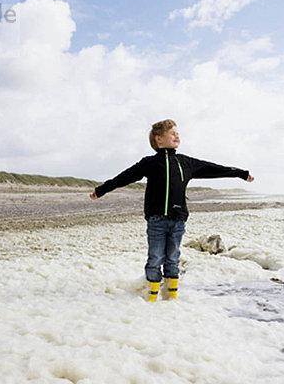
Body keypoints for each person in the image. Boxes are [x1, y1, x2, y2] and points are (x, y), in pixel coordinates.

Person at [90, 119, 254, 301]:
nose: (177, 135)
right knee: (155, 258)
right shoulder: (149, 163)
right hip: (156, 220)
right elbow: (124, 177)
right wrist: (101, 190)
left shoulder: (185, 162)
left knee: (173, 259)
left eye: (178, 133)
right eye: (172, 133)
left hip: (178, 220)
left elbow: (214, 169)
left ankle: (170, 299)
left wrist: (240, 173)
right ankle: (150, 297)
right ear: (159, 139)